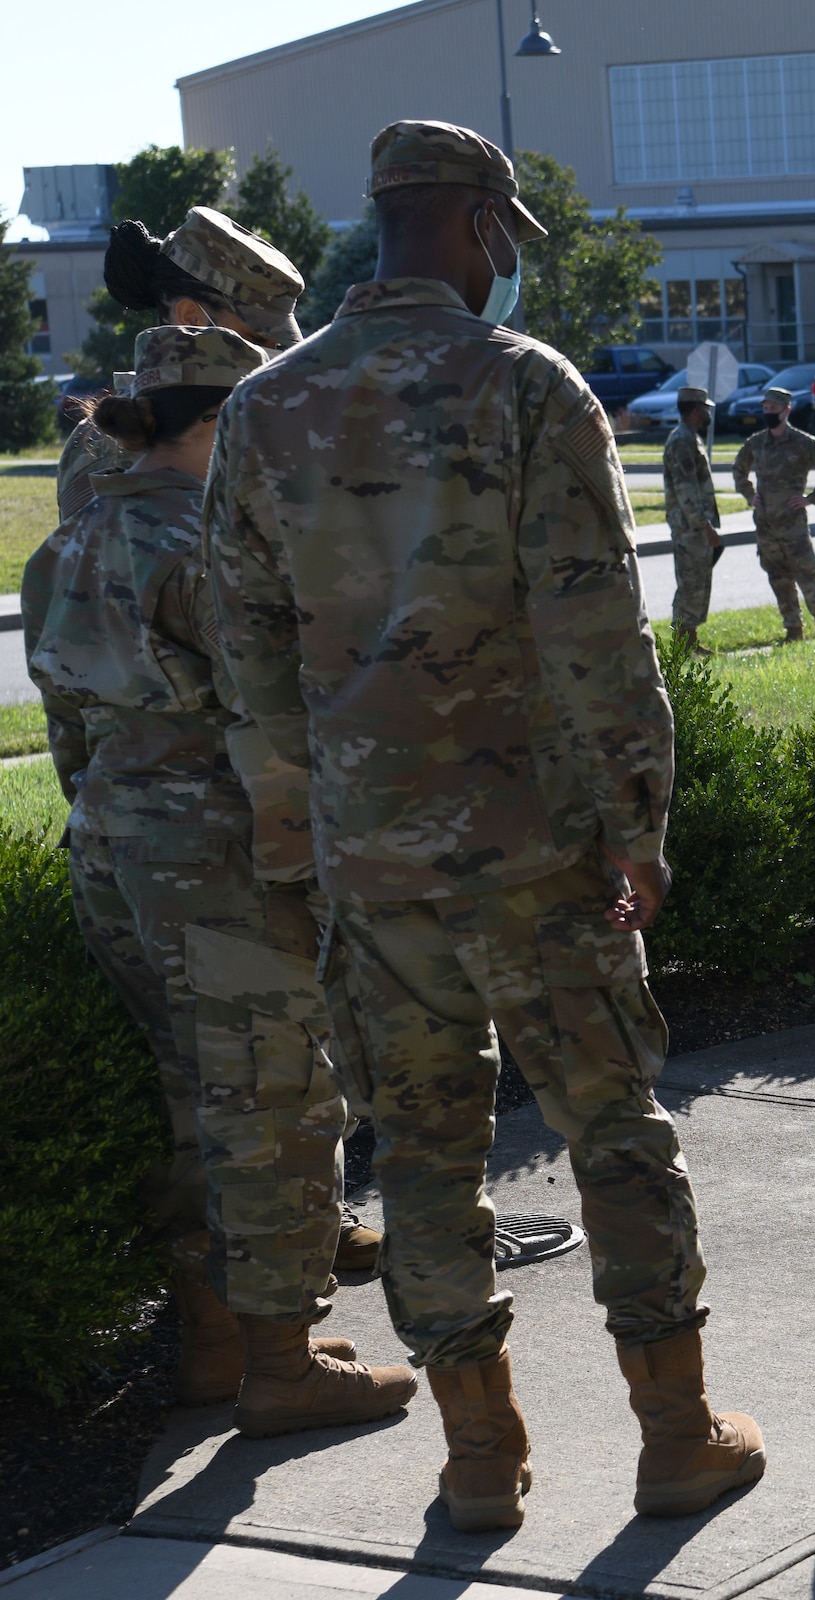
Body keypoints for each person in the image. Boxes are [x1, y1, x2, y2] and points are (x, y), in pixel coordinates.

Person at [202, 119, 764, 1532]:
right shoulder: (524, 385)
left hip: (373, 868)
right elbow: (595, 624)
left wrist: (297, 832)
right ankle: (677, 1434)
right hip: (541, 855)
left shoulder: (265, 409)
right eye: (504, 238)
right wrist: (638, 819)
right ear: (476, 229)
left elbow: (247, 649)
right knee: (617, 1134)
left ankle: (477, 1462)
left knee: (427, 1158)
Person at [23, 327, 418, 1436]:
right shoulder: (205, 549)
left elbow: (68, 724)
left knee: (194, 1096)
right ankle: (283, 1364)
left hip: (114, 845)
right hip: (220, 857)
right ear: (216, 425)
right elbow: (288, 707)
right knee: (278, 1103)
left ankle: (220, 1339)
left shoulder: (79, 535)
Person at [45, 203, 385, 1280]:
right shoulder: (123, 466)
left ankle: (298, 1234)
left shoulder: (177, 439)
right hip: (204, 799)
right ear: (197, 315)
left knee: (255, 1056)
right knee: (255, 1061)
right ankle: (265, 1301)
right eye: (256, 333)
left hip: (160, 809)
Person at [55, 208, 305, 524]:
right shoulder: (102, 445)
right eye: (256, 338)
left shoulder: (259, 421)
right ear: (192, 319)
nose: (271, 356)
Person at [730, 387, 815, 642]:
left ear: (786, 410)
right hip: (766, 526)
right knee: (778, 579)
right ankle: (793, 630)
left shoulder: (802, 443)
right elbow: (738, 470)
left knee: (807, 577)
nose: (768, 413)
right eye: (765, 408)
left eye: (773, 409)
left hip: (793, 526)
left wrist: (810, 499)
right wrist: (749, 495)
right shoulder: (756, 443)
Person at [663, 385, 724, 656]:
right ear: (695, 410)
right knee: (690, 584)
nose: (708, 413)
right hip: (690, 529)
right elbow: (685, 489)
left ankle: (689, 641)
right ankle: (681, 647)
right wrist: (705, 526)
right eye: (705, 408)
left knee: (697, 583)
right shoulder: (681, 441)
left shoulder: (690, 438)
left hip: (695, 527)